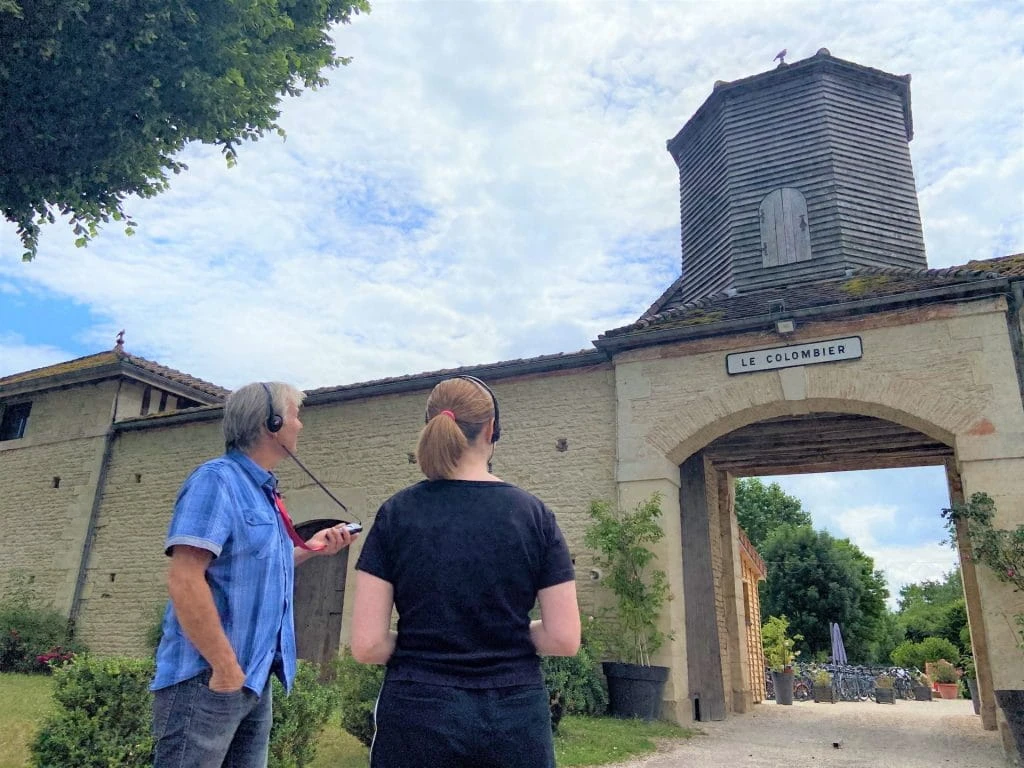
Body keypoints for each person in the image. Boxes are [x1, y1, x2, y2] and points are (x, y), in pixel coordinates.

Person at [351, 375, 581, 768]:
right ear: (492, 429)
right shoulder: (534, 515)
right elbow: (563, 639)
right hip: (513, 717)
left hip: (416, 714)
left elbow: (367, 645)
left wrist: (423, 647)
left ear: (431, 427)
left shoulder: (396, 513)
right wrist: (499, 634)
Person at [150, 381, 358, 768]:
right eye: (295, 416)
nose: (301, 426)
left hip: (253, 680)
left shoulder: (263, 492)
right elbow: (185, 578)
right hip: (208, 679)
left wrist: (312, 548)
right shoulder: (216, 481)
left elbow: (257, 566)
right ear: (272, 423)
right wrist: (225, 667)